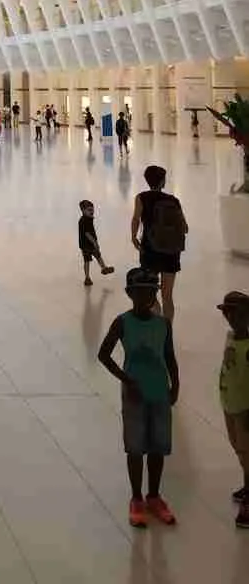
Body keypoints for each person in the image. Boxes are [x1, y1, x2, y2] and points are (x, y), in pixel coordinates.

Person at [97, 267, 179, 529]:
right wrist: (125, 378)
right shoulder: (123, 322)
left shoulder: (163, 324)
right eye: (140, 292)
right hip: (134, 394)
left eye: (150, 292)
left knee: (158, 446)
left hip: (159, 391)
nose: (146, 297)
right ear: (129, 294)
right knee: (135, 447)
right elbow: (103, 354)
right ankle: (136, 498)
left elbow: (170, 357)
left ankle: (154, 496)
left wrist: (175, 384)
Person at [131, 165, 187, 322]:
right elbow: (185, 227)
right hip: (171, 252)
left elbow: (136, 218)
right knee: (167, 296)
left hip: (150, 250)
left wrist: (134, 237)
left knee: (150, 291)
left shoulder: (141, 197)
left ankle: (156, 320)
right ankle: (168, 329)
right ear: (163, 181)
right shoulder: (174, 200)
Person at [216, 291, 249, 528]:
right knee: (239, 448)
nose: (229, 317)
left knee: (247, 453)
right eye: (227, 313)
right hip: (230, 403)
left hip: (245, 408)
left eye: (235, 313)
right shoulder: (231, 336)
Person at [78, 200, 115, 285]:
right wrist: (95, 243)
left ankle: (104, 268)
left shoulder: (88, 218)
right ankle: (87, 277)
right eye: (89, 210)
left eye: (92, 209)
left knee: (98, 255)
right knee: (87, 260)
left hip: (89, 243)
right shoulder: (84, 221)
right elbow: (87, 234)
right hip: (86, 245)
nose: (92, 211)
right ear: (83, 211)